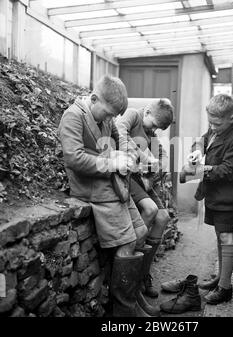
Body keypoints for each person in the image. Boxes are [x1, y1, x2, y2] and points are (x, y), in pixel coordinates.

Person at [57, 75, 159, 317]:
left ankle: (134, 295)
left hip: (113, 185)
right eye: (109, 113)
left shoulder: (106, 116)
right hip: (92, 187)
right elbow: (73, 157)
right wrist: (111, 162)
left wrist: (130, 156)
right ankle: (125, 310)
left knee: (141, 232)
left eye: (114, 115)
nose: (111, 119)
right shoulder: (73, 116)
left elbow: (120, 139)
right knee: (126, 243)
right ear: (93, 99)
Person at [160, 94, 233, 313]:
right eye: (210, 122)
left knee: (226, 237)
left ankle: (225, 288)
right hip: (215, 196)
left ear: (231, 118)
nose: (212, 126)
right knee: (220, 236)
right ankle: (221, 277)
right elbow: (203, 138)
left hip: (228, 199)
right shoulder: (216, 130)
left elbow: (229, 170)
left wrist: (198, 171)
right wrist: (197, 150)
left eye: (217, 123)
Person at [116, 98, 173, 298]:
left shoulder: (150, 131)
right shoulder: (133, 115)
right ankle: (132, 274)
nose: (154, 131)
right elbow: (119, 132)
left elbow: (163, 155)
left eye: (158, 129)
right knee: (151, 210)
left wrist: (158, 166)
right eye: (155, 125)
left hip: (142, 179)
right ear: (147, 112)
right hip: (126, 175)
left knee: (163, 218)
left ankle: (143, 274)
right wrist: (143, 156)